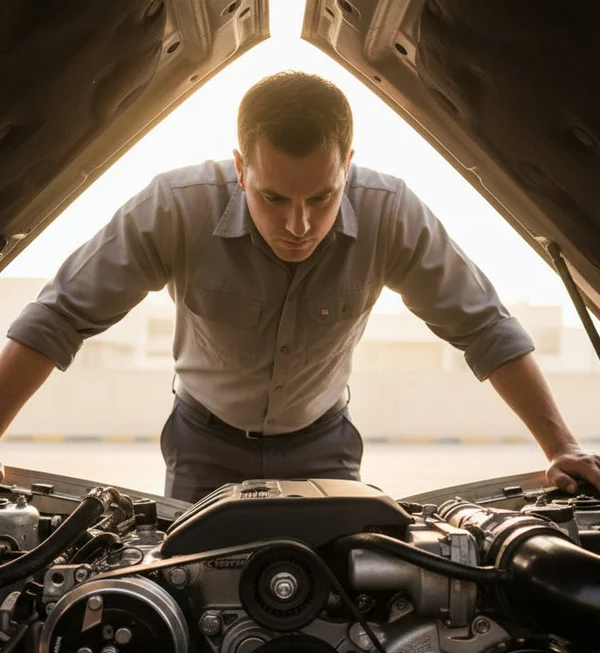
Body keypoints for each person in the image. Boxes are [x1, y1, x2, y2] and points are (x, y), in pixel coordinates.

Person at [1, 71, 599, 502]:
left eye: (322, 197)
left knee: (343, 612)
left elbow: (485, 327)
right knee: (194, 606)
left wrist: (560, 447)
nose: (299, 225)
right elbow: (58, 317)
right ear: (240, 169)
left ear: (349, 164)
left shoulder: (392, 213)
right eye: (273, 197)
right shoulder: (173, 208)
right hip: (202, 442)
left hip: (323, 443)